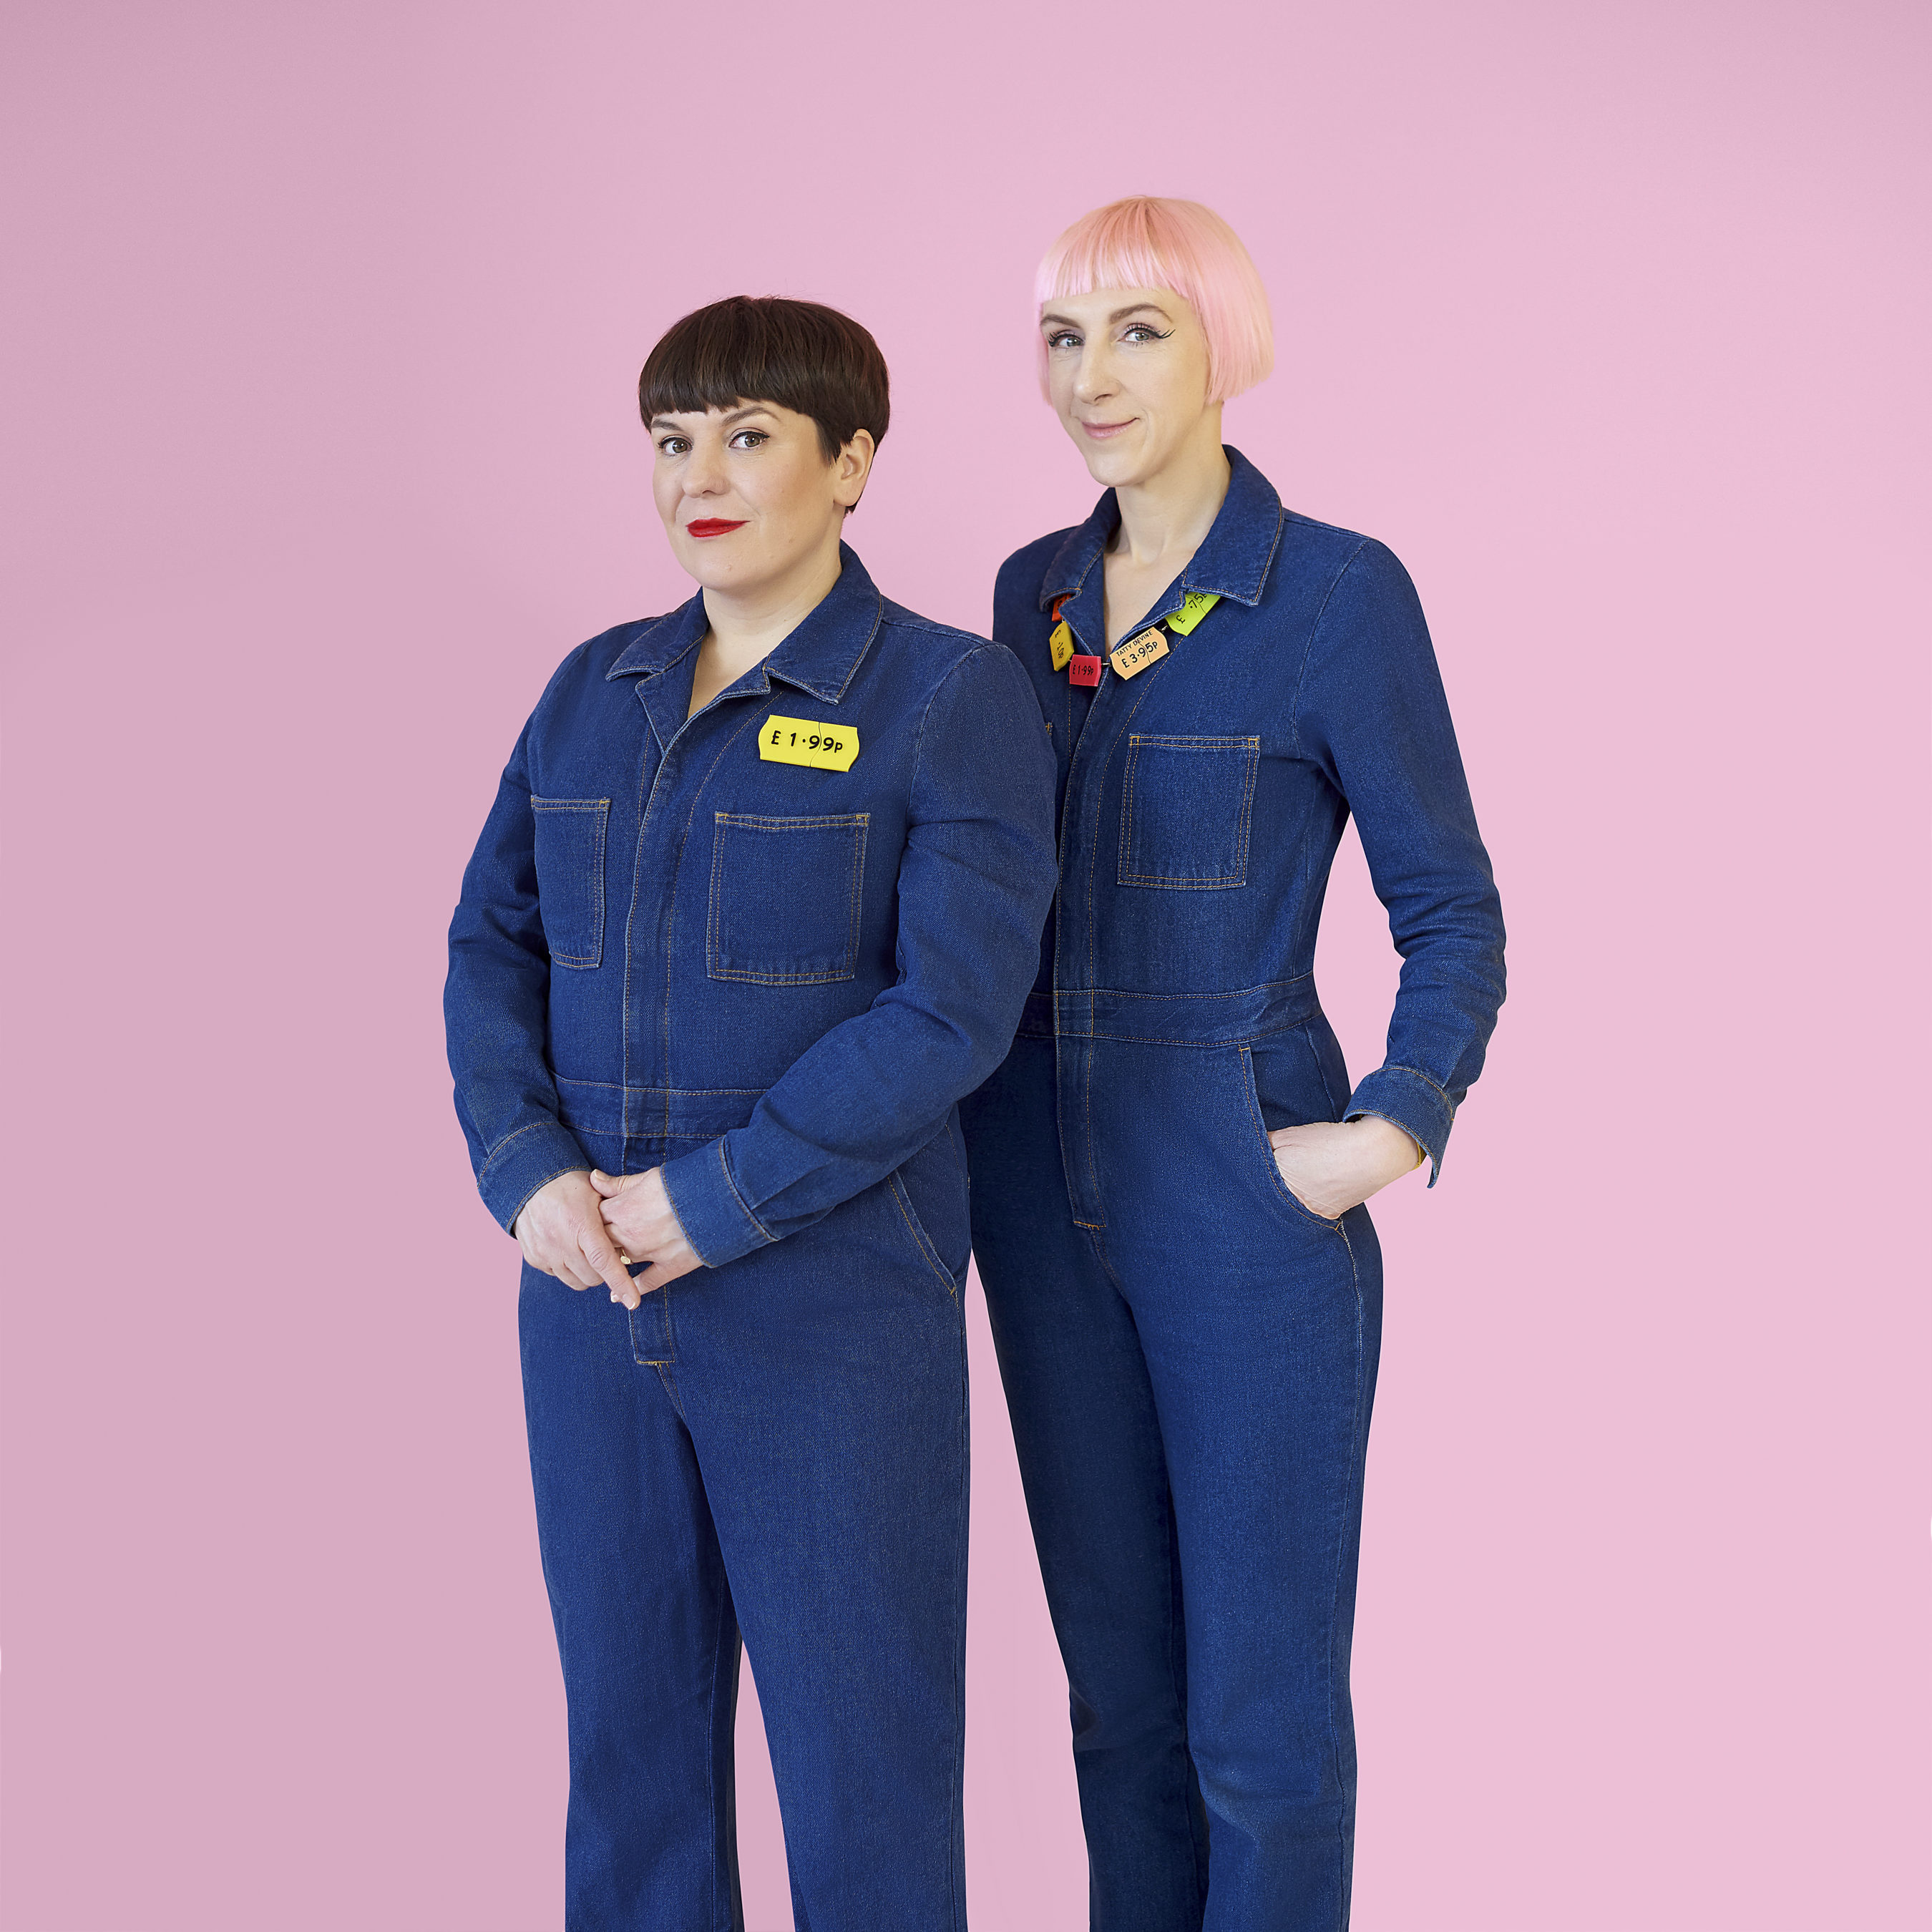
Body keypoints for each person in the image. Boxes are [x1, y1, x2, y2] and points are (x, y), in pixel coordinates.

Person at [444, 295, 1058, 1931]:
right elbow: (491, 946)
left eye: (748, 436)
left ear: (850, 465)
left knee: (865, 1787)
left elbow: (952, 1011)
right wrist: (528, 1172)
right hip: (591, 1304)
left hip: (832, 1315)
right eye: (671, 440)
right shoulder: (593, 691)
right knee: (630, 1775)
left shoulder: (948, 697)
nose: (698, 477)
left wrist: (713, 1199)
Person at [957, 197, 1507, 1930]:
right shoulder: (1031, 595)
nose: (1093, 376)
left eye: (1140, 331)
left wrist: (1389, 1127)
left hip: (1239, 1206)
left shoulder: (1335, 595)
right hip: (1034, 1198)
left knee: (1260, 1738)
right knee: (1119, 1714)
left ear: (1222, 348)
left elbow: (1453, 909)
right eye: (1064, 338)